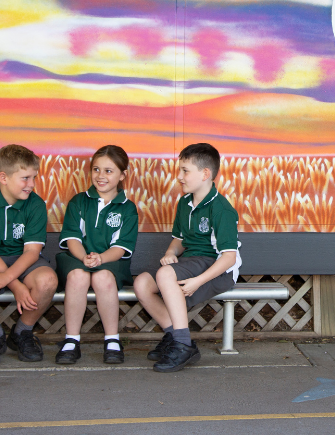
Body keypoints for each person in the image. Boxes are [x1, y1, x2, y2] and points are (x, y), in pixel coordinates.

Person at [134, 143, 241, 373]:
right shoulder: (185, 203)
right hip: (190, 263)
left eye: (185, 171)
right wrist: (170, 253)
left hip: (216, 268)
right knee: (142, 283)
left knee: (164, 275)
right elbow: (180, 240)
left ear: (205, 174)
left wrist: (198, 281)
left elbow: (229, 257)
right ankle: (175, 335)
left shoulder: (221, 209)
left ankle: (182, 344)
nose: (179, 177)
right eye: (179, 170)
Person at [0, 144, 58, 365]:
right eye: (25, 178)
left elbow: (32, 252)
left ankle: (22, 332)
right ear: (3, 177)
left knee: (47, 280)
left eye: (34, 178)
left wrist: (9, 278)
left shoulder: (35, 204)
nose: (31, 184)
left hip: (25, 261)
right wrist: (16, 286)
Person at [54, 145, 139, 365]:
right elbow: (72, 238)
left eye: (109, 171)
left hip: (111, 261)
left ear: (122, 175)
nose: (101, 176)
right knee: (78, 277)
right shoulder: (79, 202)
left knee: (102, 278)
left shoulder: (127, 208)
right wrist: (84, 257)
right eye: (96, 169)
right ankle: (71, 339)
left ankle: (112, 339)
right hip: (76, 258)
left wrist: (101, 258)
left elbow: (120, 248)